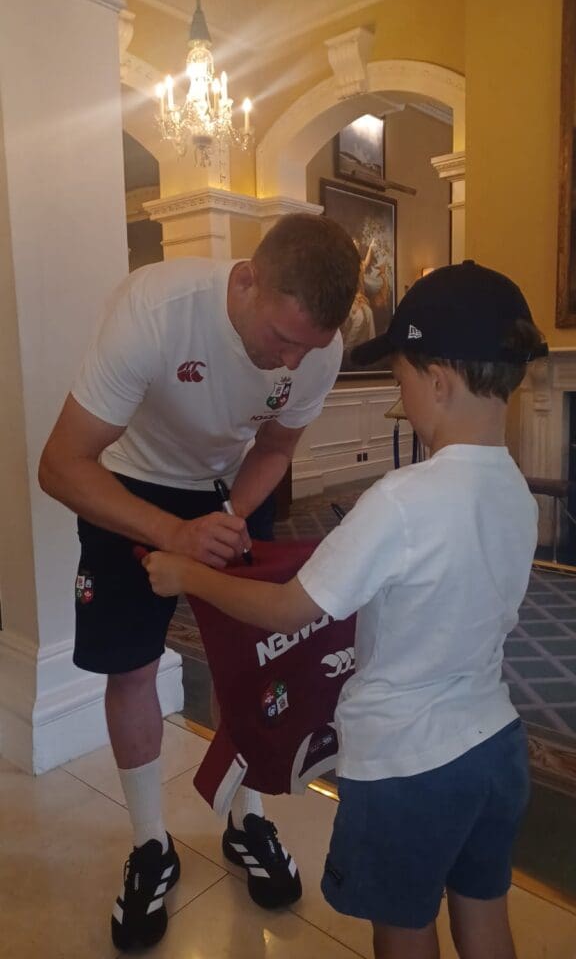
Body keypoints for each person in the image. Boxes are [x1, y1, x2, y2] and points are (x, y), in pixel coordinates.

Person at [141, 260, 548, 959]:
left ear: (439, 382)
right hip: (496, 748)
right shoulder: (517, 491)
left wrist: (188, 575)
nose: (401, 396)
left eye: (401, 379)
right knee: (483, 916)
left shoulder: (401, 500)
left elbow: (287, 610)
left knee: (404, 930)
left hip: (408, 766)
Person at [38, 213, 360, 951]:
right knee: (132, 668)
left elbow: (275, 448)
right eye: (281, 338)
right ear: (246, 281)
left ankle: (249, 819)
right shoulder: (154, 311)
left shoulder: (318, 350)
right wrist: (173, 534)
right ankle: (150, 843)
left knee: (257, 660)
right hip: (126, 486)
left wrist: (231, 517)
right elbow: (60, 465)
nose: (289, 361)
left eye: (307, 348)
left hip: (227, 489)